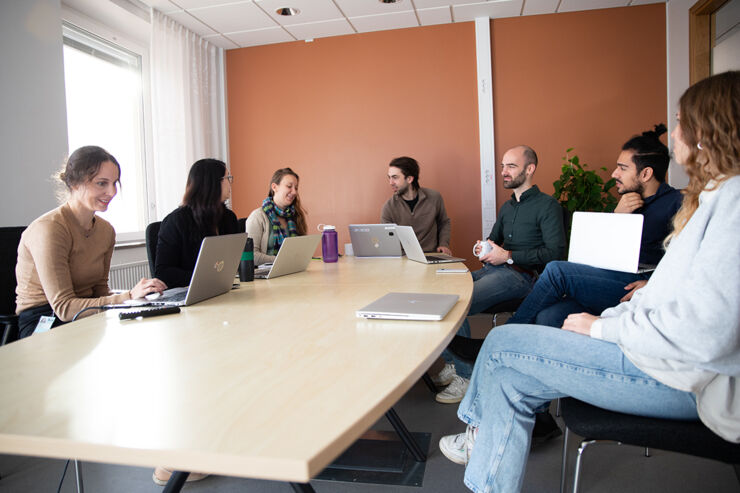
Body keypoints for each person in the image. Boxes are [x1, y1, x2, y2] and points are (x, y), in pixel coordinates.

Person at [439, 70, 740, 493]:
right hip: (651, 345)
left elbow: (707, 333)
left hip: (681, 376)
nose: (673, 136)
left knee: (504, 342)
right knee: (517, 359)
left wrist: (602, 326)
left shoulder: (731, 204)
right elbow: (683, 291)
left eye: (678, 123)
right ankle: (482, 459)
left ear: (708, 133)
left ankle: (475, 426)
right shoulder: (712, 199)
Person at [508, 125, 683, 329]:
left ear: (646, 174)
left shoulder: (677, 204)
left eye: (623, 168)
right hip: (609, 277)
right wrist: (618, 216)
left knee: (557, 271)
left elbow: (686, 260)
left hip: (636, 285)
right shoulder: (625, 203)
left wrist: (653, 284)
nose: (614, 173)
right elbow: (601, 251)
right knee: (549, 316)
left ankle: (504, 333)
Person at [433, 145, 566, 404]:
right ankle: (456, 361)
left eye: (511, 166)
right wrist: (483, 247)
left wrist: (508, 256)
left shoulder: (548, 206)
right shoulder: (507, 207)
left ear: (530, 169)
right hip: (493, 270)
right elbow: (495, 240)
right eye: (503, 166)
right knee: (443, 292)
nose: (504, 172)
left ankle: (466, 375)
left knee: (454, 303)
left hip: (523, 278)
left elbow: (555, 254)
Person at [15, 146, 166, 339]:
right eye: (102, 183)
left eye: (114, 183)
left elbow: (100, 291)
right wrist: (128, 296)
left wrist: (143, 296)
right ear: (74, 183)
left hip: (85, 315)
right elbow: (64, 308)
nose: (111, 192)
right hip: (44, 321)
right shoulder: (49, 229)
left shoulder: (105, 230)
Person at [155, 159, 240, 289]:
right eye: (227, 177)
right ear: (211, 183)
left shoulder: (229, 217)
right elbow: (163, 273)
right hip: (189, 292)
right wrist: (202, 279)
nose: (230, 183)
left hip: (221, 288)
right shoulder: (176, 221)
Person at [381, 156, 452, 255]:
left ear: (409, 179)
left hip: (431, 255)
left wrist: (444, 244)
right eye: (389, 177)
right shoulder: (388, 207)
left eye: (395, 177)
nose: (391, 182)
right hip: (404, 258)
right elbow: (388, 240)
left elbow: (444, 222)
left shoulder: (434, 197)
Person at [245, 167, 307, 266]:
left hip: (292, 271)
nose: (294, 192)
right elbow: (252, 255)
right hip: (267, 277)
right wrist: (281, 260)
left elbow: (301, 251)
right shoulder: (257, 217)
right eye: (289, 186)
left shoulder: (296, 215)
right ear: (274, 187)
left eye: (296, 188)